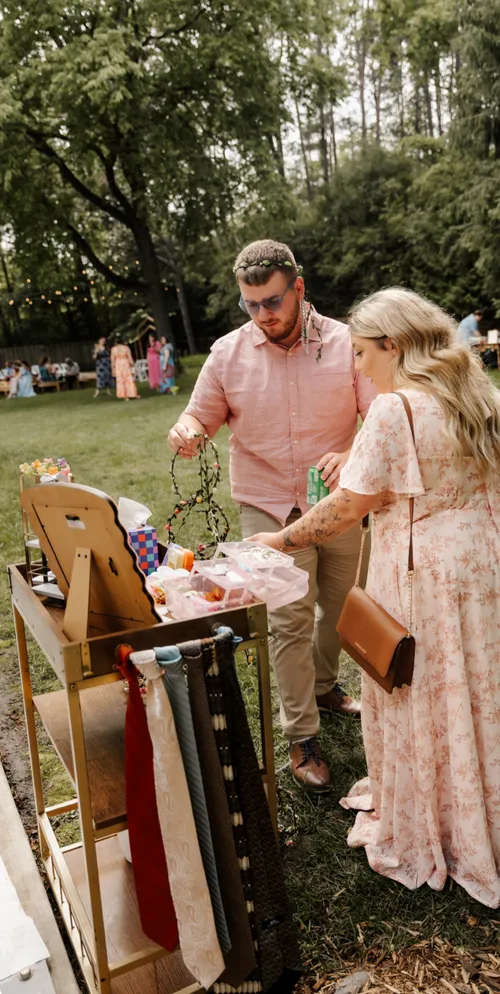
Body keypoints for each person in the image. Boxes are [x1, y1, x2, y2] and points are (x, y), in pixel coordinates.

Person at [251, 286, 500, 907]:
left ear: (393, 345)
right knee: (477, 689)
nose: (358, 366)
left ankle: (438, 823)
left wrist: (279, 539)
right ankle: (478, 812)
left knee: (422, 690)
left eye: (362, 352)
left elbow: (348, 506)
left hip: (423, 576)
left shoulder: (396, 409)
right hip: (481, 564)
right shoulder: (477, 394)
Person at [167, 239, 377, 792]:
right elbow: (199, 415)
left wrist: (352, 451)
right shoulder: (226, 353)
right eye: (251, 304)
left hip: (339, 500)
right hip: (266, 502)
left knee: (342, 608)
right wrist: (188, 431)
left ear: (298, 288)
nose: (263, 315)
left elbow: (380, 414)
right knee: (288, 619)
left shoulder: (346, 343)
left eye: (273, 301)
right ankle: (302, 736)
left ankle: (325, 687)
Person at [110, 336, 139, 401]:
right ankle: (133, 393)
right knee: (128, 379)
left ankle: (125, 396)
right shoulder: (126, 348)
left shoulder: (113, 349)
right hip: (125, 364)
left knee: (121, 380)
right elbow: (130, 358)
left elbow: (112, 360)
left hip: (118, 365)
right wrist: (133, 365)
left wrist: (113, 370)